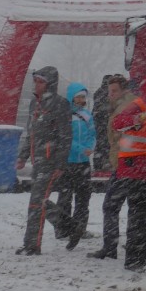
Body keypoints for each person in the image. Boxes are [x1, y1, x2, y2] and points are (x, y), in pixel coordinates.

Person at [111, 74, 146, 271]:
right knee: (140, 216)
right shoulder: (143, 105)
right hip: (138, 169)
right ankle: (135, 260)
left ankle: (141, 256)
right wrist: (138, 119)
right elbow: (118, 123)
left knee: (145, 215)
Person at [15, 66, 72, 255]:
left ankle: (32, 245)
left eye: (41, 82)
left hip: (50, 161)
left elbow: (65, 136)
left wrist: (60, 164)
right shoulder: (34, 104)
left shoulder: (60, 104)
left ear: (50, 84)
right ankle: (71, 227)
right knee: (41, 201)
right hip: (37, 160)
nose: (37, 85)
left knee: (36, 203)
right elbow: (30, 132)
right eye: (36, 81)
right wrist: (23, 157)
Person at [88, 74, 135, 260]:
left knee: (111, 205)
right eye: (109, 91)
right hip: (128, 163)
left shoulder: (125, 108)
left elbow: (119, 137)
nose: (110, 95)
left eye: (114, 91)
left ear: (124, 90)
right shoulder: (123, 105)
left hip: (126, 163)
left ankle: (110, 247)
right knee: (137, 206)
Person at [56, 82, 96, 250]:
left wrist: (91, 147)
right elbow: (64, 138)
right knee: (65, 198)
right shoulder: (64, 115)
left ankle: (80, 228)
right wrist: (81, 148)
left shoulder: (87, 115)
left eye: (83, 97)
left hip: (83, 163)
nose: (81, 100)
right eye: (78, 97)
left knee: (83, 198)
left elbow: (93, 134)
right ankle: (62, 229)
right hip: (68, 162)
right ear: (71, 97)